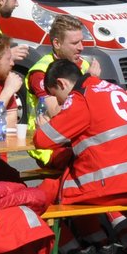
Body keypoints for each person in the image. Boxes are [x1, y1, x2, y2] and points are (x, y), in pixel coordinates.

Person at [35, 59, 127, 254]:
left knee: (50, 195)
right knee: (72, 191)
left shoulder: (80, 98)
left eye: (57, 97)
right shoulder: (110, 87)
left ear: (61, 84)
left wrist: (44, 125)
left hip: (114, 181)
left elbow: (43, 140)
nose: (60, 104)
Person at [24, 15, 99, 159]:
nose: (81, 48)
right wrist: (89, 81)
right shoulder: (41, 72)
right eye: (75, 43)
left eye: (81, 42)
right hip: (50, 147)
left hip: (76, 139)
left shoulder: (84, 66)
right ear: (57, 43)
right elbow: (56, 112)